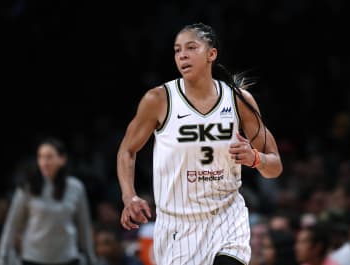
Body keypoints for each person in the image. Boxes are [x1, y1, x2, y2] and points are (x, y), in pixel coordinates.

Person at [116, 22, 283, 265]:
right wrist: (129, 196)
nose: (182, 54)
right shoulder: (159, 99)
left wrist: (254, 158)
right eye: (177, 50)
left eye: (191, 47)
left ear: (211, 54)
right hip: (178, 225)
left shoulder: (238, 100)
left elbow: (275, 166)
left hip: (226, 216)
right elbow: (127, 151)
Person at [0, 138, 98, 265]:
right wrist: (2, 258)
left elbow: (84, 226)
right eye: (41, 157)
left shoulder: (76, 187)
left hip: (67, 256)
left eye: (49, 157)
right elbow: (11, 226)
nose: (44, 162)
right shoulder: (27, 187)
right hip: (33, 257)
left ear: (62, 159)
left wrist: (91, 257)